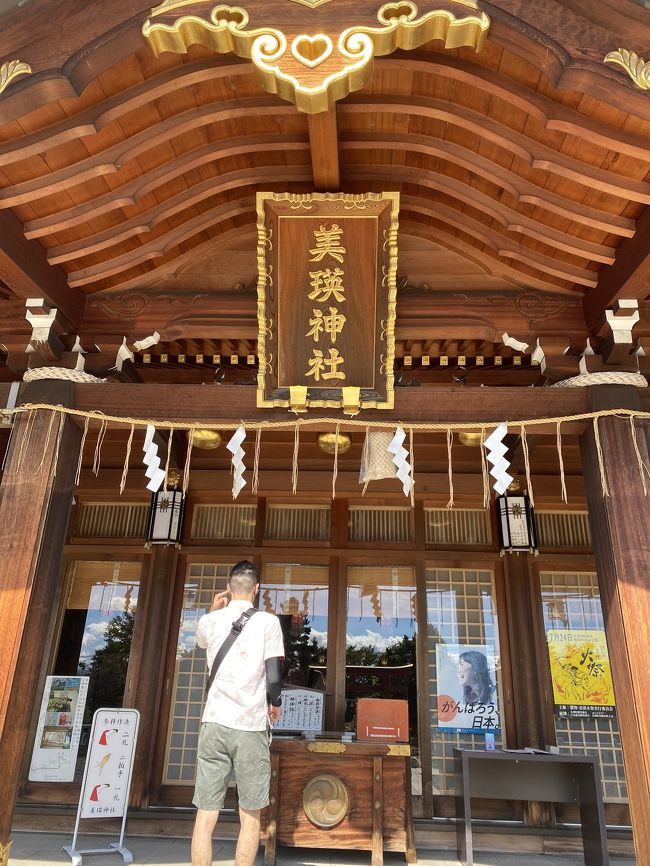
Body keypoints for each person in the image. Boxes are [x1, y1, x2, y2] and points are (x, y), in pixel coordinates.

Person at [191, 561, 284, 866]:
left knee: (206, 812)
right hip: (249, 724)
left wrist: (212, 608)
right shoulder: (268, 622)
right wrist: (275, 703)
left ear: (229, 588)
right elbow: (273, 676)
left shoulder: (211, 621)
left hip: (214, 722)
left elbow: (202, 639)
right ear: (257, 589)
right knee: (250, 813)